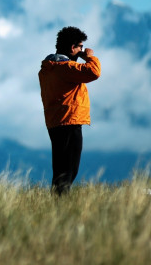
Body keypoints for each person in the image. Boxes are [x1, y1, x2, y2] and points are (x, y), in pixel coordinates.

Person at [38, 26, 101, 195]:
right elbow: (94, 72)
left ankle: (57, 205)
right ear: (72, 47)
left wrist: (77, 58)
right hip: (70, 121)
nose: (81, 50)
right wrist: (89, 57)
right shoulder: (64, 68)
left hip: (55, 122)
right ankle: (60, 205)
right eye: (79, 46)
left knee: (60, 168)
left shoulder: (48, 69)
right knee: (69, 169)